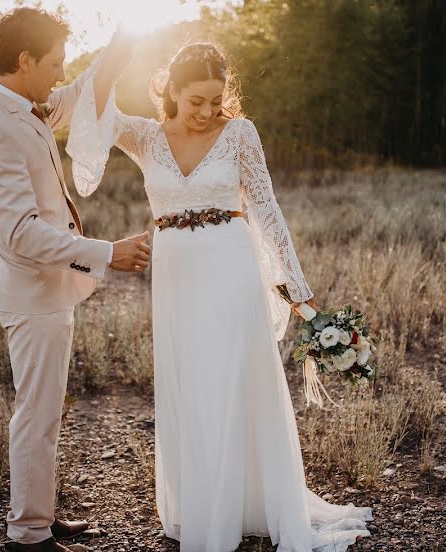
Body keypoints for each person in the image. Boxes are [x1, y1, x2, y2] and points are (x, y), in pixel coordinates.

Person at [66, 42, 373, 551]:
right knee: (192, 388)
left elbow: (268, 214)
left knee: (232, 384)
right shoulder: (145, 136)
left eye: (216, 99)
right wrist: (115, 54)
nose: (209, 112)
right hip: (176, 285)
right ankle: (207, 507)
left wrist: (302, 299)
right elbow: (95, 109)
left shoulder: (240, 134)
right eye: (196, 101)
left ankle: (247, 507)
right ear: (171, 91)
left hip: (233, 274)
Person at [0, 7, 149, 552]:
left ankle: (37, 517)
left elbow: (74, 94)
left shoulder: (23, 103)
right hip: (33, 294)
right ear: (24, 61)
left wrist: (117, 53)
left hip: (49, 291)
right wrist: (104, 253)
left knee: (44, 411)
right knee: (36, 415)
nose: (58, 73)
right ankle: (28, 535)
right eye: (53, 63)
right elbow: (20, 233)